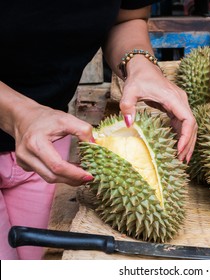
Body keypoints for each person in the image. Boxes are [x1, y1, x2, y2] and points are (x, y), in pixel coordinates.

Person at [0, 0, 197, 260]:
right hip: (28, 124)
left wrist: (140, 64)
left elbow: (127, 17)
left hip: (47, 143)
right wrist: (18, 114)